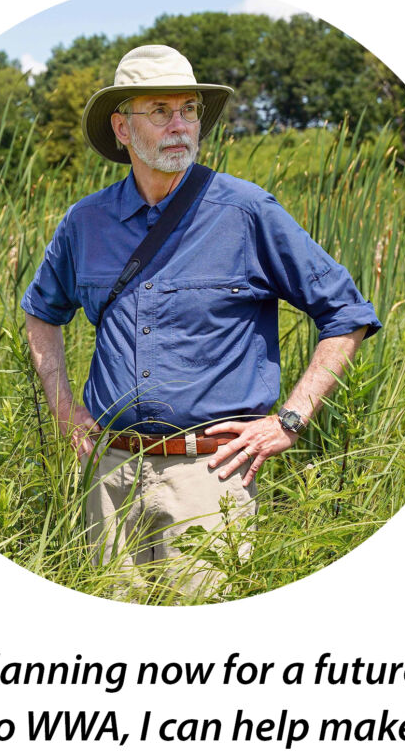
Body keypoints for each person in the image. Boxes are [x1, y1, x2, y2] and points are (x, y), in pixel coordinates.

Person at [21, 44, 381, 597]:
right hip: (109, 476)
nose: (180, 125)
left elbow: (346, 314)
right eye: (160, 110)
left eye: (189, 110)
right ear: (121, 127)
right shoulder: (85, 223)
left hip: (211, 478)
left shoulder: (246, 211)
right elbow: (40, 314)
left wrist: (289, 419)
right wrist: (66, 410)